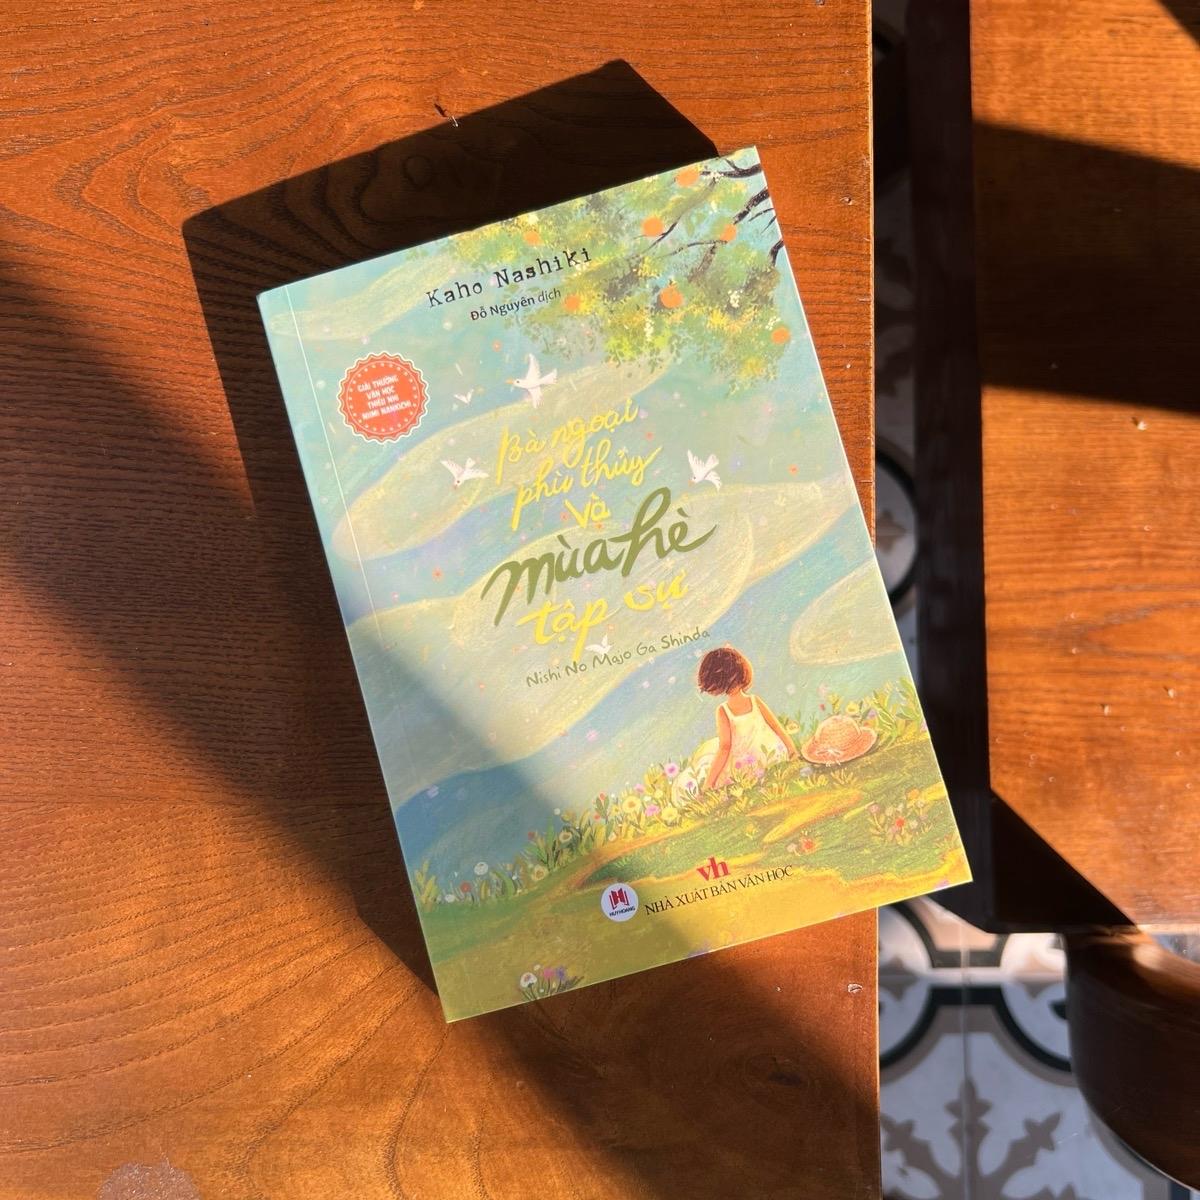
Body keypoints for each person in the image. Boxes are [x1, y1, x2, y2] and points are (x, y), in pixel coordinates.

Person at [672, 647, 797, 801]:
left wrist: (709, 783)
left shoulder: (723, 710)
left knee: (709, 760)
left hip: (748, 767)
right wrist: (792, 750)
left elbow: (725, 748)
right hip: (773, 755)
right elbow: (776, 726)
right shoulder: (755, 700)